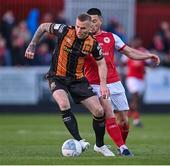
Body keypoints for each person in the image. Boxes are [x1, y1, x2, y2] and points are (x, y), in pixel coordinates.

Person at [25, 13, 112, 155]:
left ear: (90, 28)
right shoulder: (65, 30)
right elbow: (43, 27)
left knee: (99, 111)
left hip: (78, 80)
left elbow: (101, 63)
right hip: (57, 77)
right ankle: (80, 140)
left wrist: (103, 84)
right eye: (77, 26)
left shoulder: (93, 44)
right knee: (64, 105)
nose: (79, 30)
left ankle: (100, 145)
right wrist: (33, 44)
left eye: (83, 28)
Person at [85, 8, 160, 156]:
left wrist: (148, 56)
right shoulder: (82, 39)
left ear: (100, 21)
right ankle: (123, 148)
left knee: (124, 120)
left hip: (115, 82)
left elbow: (129, 52)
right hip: (96, 83)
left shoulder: (111, 37)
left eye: (94, 21)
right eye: (89, 22)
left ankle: (121, 145)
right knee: (109, 114)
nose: (92, 24)